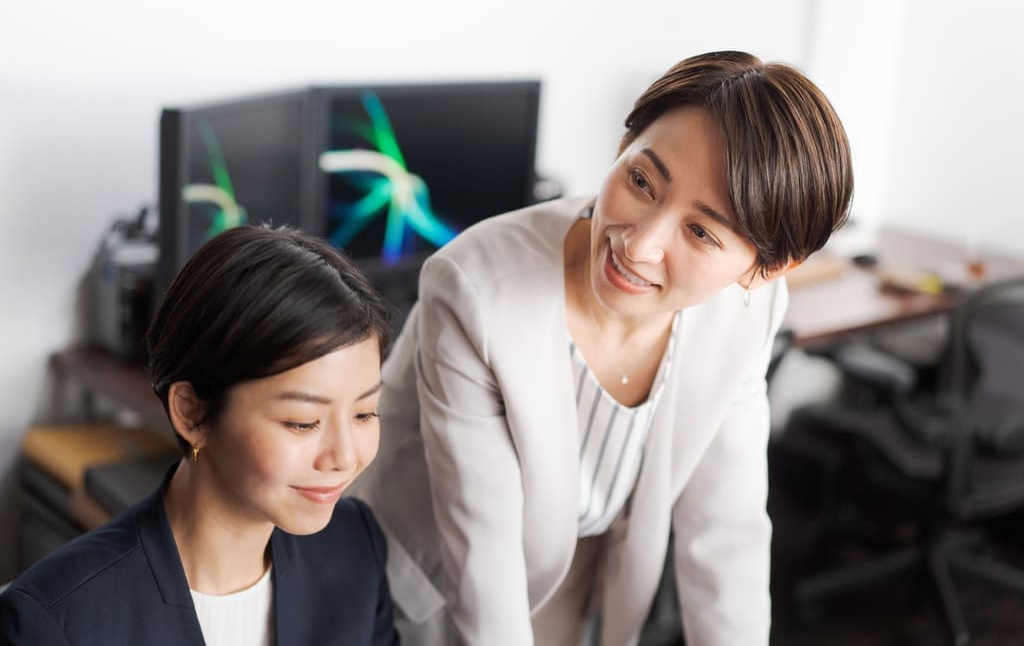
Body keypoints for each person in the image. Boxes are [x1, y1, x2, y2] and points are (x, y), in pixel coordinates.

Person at [349, 50, 854, 645]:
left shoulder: (749, 311)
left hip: (569, 575)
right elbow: (483, 561)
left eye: (700, 231)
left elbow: (727, 533)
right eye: (641, 182)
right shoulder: (477, 290)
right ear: (623, 147)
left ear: (767, 269)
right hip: (427, 583)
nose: (639, 246)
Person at [0, 226, 399, 645]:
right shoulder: (53, 623)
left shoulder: (355, 547)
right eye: (303, 422)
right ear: (192, 413)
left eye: (364, 413)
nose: (344, 456)